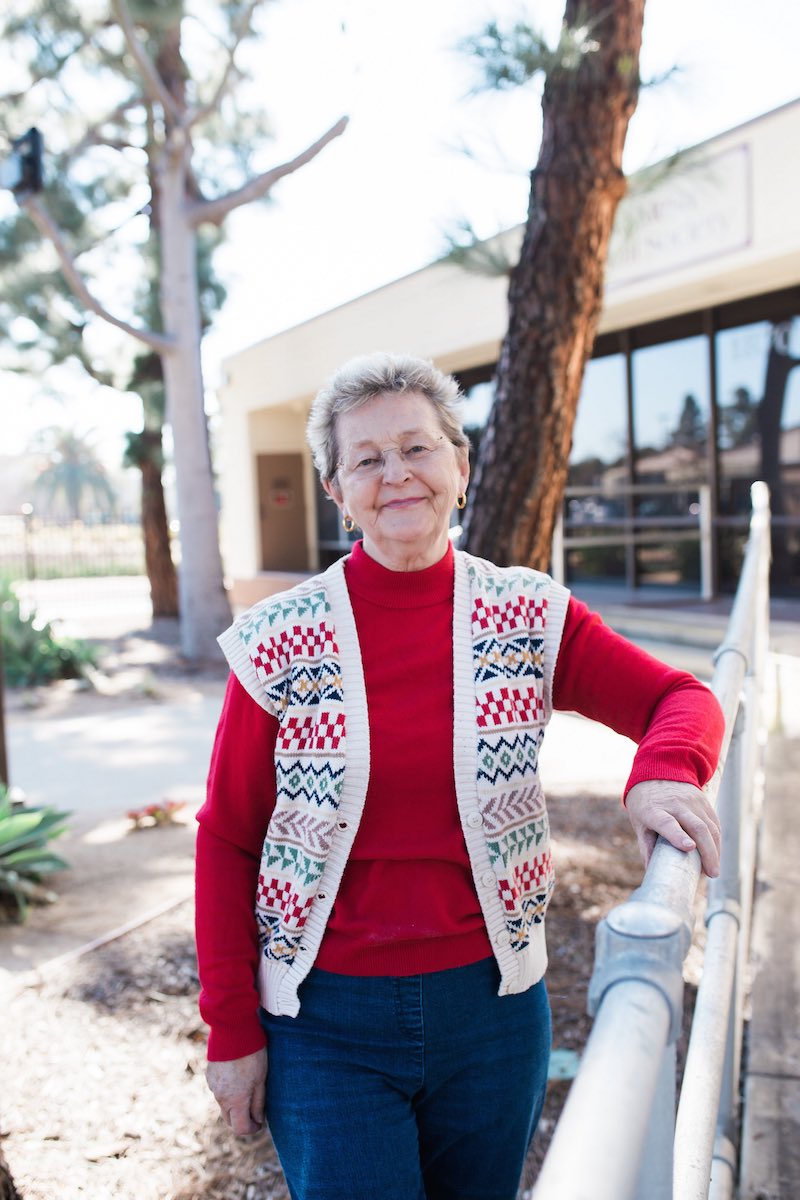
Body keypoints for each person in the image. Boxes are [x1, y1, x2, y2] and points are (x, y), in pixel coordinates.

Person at [195, 352, 723, 1200]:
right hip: (325, 1024)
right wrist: (229, 1030)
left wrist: (661, 774)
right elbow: (227, 838)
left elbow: (679, 697)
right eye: (365, 459)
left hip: (495, 1014)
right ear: (336, 490)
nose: (395, 473)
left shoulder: (526, 613)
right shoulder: (277, 638)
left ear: (461, 465)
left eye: (417, 447)